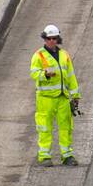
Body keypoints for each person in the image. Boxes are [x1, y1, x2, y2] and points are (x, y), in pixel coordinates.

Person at [31, 24, 81, 166]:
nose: (52, 41)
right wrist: (44, 74)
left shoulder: (64, 55)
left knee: (66, 127)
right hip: (45, 98)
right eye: (49, 38)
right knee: (44, 128)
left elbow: (71, 76)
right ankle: (45, 156)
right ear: (45, 39)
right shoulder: (38, 56)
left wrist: (75, 95)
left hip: (62, 97)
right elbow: (34, 73)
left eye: (54, 38)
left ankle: (67, 155)